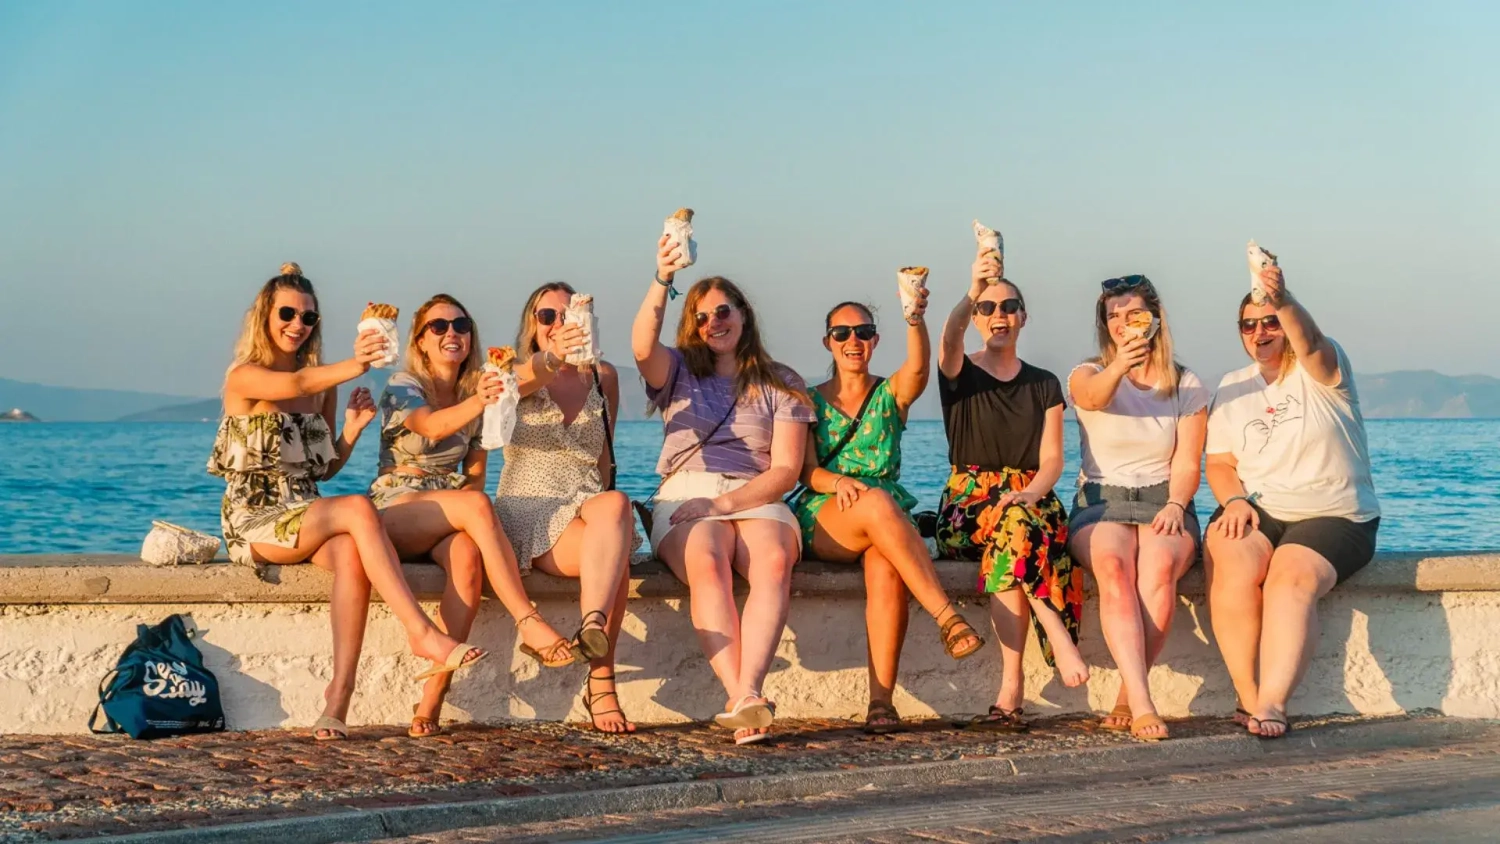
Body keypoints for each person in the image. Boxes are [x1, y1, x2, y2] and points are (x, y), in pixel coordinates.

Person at [208, 264, 484, 741]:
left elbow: (323, 469)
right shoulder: (244, 376)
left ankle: (338, 699)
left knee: (356, 548)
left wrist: (352, 431)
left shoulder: (324, 384)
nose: (298, 325)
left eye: (308, 318)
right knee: (358, 508)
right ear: (264, 317)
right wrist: (359, 363)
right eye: (288, 314)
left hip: (306, 510)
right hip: (255, 518)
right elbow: (292, 388)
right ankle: (420, 632)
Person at [632, 234, 814, 746]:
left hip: (756, 494)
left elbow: (786, 469)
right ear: (692, 324)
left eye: (724, 311)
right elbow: (642, 346)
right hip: (688, 488)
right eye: (703, 316)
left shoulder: (782, 381)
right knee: (707, 560)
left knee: (774, 563)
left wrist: (726, 503)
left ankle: (746, 692)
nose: (716, 322)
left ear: (743, 315)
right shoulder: (679, 373)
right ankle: (745, 699)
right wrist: (663, 278)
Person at [372, 294, 578, 740]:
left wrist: (556, 354)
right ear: (421, 340)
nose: (452, 334)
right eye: (439, 327)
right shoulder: (403, 384)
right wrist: (481, 400)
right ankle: (528, 620)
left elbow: (477, 473)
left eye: (461, 325)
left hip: (450, 509)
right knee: (476, 508)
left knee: (467, 558)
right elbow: (429, 426)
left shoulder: (480, 388)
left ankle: (432, 698)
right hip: (397, 505)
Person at [791, 296, 985, 734]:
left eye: (862, 332)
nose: (852, 341)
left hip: (882, 518)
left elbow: (918, 366)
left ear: (875, 340)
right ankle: (947, 617)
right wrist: (838, 482)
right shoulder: (810, 400)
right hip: (828, 513)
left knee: (886, 565)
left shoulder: (889, 393)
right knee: (879, 502)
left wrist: (914, 318)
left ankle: (881, 702)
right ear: (828, 342)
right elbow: (805, 471)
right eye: (842, 333)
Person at [1204, 260, 1380, 739]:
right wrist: (1235, 501)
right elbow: (1219, 463)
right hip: (1261, 507)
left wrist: (1281, 298)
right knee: (1232, 556)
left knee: (1288, 579)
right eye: (1250, 325)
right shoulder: (1231, 386)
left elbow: (1313, 343)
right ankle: (1247, 696)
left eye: (1271, 322)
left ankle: (1273, 704)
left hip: (1336, 514)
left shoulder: (1322, 366)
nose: (1261, 332)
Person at [935, 247, 1088, 732]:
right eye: (987, 308)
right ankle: (1053, 628)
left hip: (1030, 498)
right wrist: (971, 290)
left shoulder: (1044, 384)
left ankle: (1010, 687)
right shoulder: (960, 372)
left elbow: (1051, 463)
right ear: (977, 316)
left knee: (1018, 523)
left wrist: (1029, 493)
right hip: (966, 504)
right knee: (1016, 527)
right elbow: (948, 336)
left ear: (1023, 316)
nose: (997, 315)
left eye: (1007, 307)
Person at [493, 281, 640, 734]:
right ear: (532, 327)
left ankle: (592, 623)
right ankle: (603, 684)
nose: (557, 323)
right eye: (546, 316)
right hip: (529, 509)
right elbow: (518, 386)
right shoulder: (511, 373)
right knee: (615, 564)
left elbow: (602, 457)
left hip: (587, 505)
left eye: (566, 314)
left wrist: (609, 515)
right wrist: (554, 358)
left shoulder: (604, 376)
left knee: (615, 503)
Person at [1067, 276, 1208, 741]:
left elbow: (1189, 460)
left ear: (1155, 318)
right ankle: (1144, 701)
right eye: (1113, 316)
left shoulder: (1185, 382)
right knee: (1112, 565)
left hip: (1164, 495)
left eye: (1134, 315)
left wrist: (1175, 503)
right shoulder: (1086, 372)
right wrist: (1119, 367)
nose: (1124, 324)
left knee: (1159, 567)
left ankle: (1129, 694)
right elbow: (1093, 398)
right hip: (1102, 497)